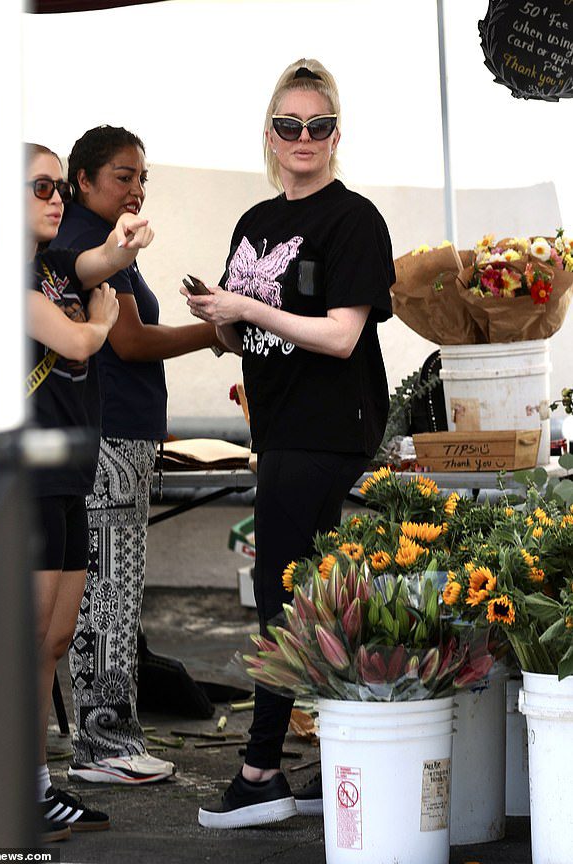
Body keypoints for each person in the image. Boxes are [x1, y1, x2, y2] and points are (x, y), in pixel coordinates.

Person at [182, 59, 395, 829]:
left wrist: (246, 305)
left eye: (318, 125)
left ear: (336, 136)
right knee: (317, 599)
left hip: (327, 430)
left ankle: (260, 769)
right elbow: (249, 336)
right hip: (279, 429)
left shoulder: (354, 218)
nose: (303, 138)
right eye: (288, 125)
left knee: (281, 596)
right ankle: (334, 756)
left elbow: (342, 336)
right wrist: (222, 316)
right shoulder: (254, 221)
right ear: (269, 136)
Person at [0, 143, 154, 840]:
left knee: (54, 637)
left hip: (66, 475)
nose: (55, 199)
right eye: (40, 186)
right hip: (23, 474)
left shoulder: (50, 266)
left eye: (58, 189)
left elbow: (100, 263)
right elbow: (75, 342)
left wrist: (124, 241)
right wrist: (101, 323)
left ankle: (35, 786)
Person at [51, 125, 219, 786]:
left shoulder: (108, 243)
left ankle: (110, 738)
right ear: (83, 180)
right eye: (124, 175)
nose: (137, 188)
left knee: (114, 596)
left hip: (122, 435)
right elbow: (130, 344)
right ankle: (106, 746)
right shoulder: (89, 246)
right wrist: (216, 330)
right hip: (106, 439)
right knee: (107, 597)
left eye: (143, 176)